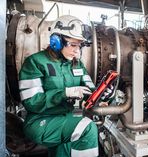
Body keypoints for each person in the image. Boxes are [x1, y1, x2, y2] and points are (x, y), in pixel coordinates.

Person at [18, 15, 103, 157]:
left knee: (64, 149)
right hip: (40, 121)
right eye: (72, 45)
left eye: (79, 46)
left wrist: (101, 98)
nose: (77, 51)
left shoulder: (77, 64)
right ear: (56, 41)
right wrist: (65, 93)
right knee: (87, 129)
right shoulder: (35, 62)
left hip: (65, 117)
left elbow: (90, 88)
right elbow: (32, 102)